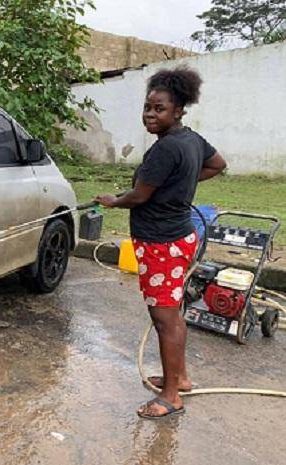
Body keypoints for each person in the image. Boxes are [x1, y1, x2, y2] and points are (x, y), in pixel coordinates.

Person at [95, 65, 227, 419]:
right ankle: (179, 378)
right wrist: (179, 185)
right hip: (180, 238)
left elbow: (138, 197)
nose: (151, 115)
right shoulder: (191, 140)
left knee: (165, 318)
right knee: (172, 313)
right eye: (148, 108)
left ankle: (170, 397)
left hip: (160, 244)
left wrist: (113, 201)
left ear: (179, 109)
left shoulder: (165, 150)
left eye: (160, 108)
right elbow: (217, 164)